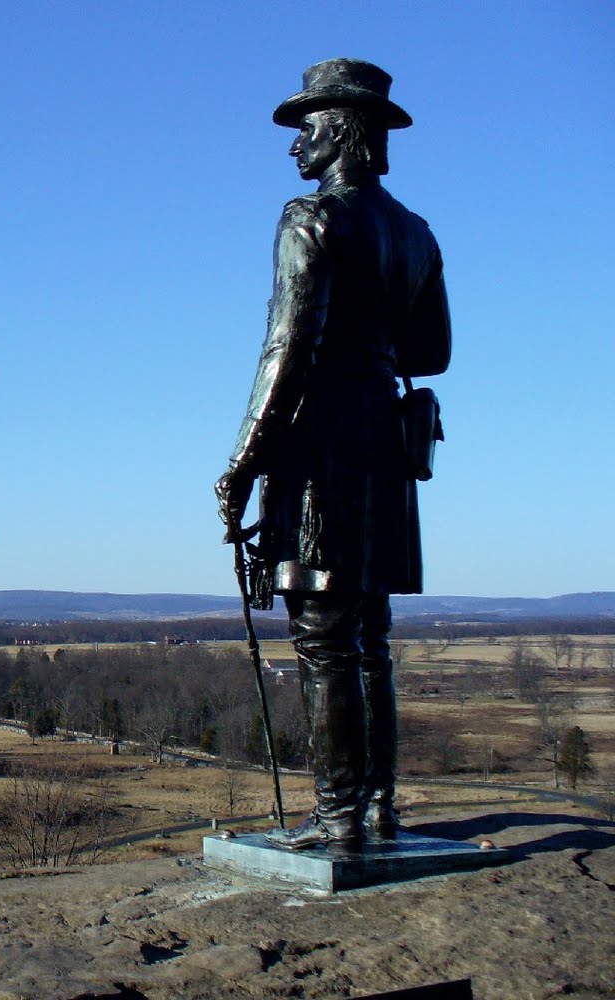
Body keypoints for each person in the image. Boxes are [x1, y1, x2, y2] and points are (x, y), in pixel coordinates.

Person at [215, 59, 451, 850]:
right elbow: (436, 351)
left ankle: (340, 813)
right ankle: (379, 807)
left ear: (345, 129)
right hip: (383, 441)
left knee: (322, 637)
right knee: (371, 635)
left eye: (306, 128)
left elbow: (285, 347)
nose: (295, 147)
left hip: (321, 448)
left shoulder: (309, 219)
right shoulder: (416, 234)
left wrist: (243, 462)